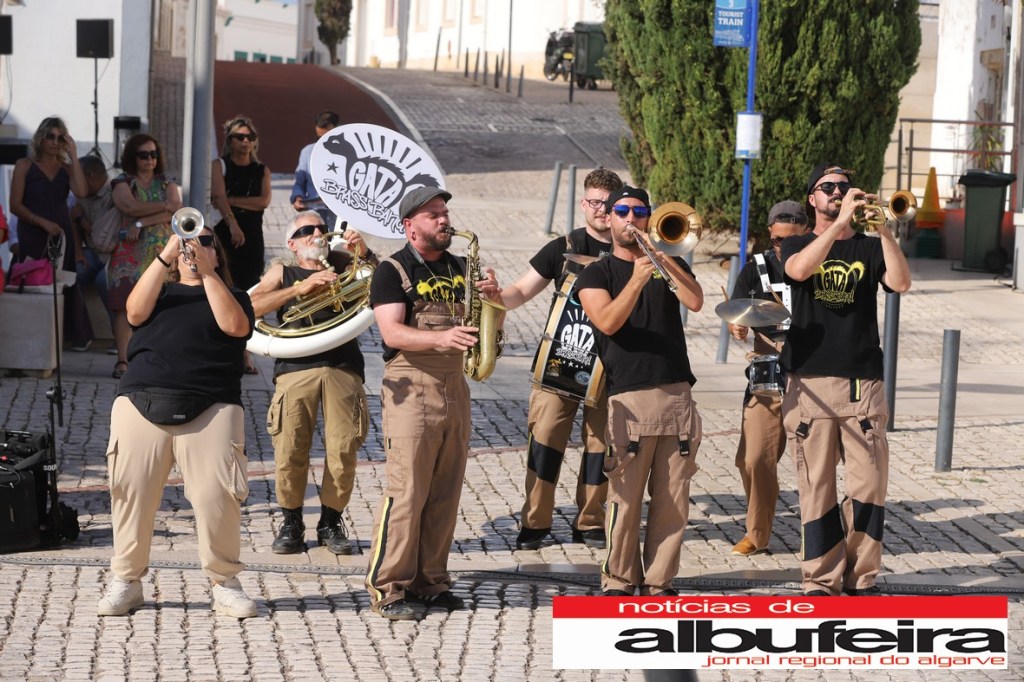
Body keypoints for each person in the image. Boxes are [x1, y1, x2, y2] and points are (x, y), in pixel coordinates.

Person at [97, 224, 258, 619]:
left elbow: (235, 327)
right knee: (131, 492)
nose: (195, 247)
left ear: (217, 254)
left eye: (205, 242)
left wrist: (207, 273)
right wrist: (165, 254)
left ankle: (225, 583)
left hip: (212, 405)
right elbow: (134, 312)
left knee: (217, 496)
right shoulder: (160, 292)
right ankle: (126, 580)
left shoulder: (234, 296)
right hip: (141, 400)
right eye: (188, 241)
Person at [365, 186, 501, 620]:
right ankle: (389, 586)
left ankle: (431, 582)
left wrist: (494, 300)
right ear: (410, 226)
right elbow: (392, 332)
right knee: (407, 491)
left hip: (454, 386)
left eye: (444, 212)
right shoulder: (392, 270)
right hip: (412, 384)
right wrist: (441, 337)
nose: (444, 220)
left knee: (445, 490)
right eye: (433, 215)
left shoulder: (462, 267)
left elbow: (486, 323)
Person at [780, 163, 911, 596]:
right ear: (812, 198)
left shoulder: (870, 248)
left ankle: (860, 577)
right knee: (816, 487)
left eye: (844, 186)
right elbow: (799, 271)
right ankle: (820, 579)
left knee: (869, 485)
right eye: (828, 187)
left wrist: (884, 230)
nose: (838, 191)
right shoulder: (798, 242)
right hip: (810, 382)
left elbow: (901, 283)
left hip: (862, 382)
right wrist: (838, 226)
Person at [576, 186, 703, 597]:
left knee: (673, 500)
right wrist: (636, 280)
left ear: (648, 218)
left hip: (676, 394)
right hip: (628, 397)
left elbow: (695, 301)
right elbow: (607, 321)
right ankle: (619, 579)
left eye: (639, 211)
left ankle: (659, 581)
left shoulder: (667, 263)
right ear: (609, 218)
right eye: (622, 211)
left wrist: (662, 259)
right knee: (625, 499)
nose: (631, 218)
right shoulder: (596, 274)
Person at [499, 168, 623, 551]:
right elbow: (522, 290)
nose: (601, 210)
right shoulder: (562, 246)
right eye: (594, 202)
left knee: (601, 446)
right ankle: (535, 522)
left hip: (611, 367)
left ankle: (590, 521)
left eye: (609, 204)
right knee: (544, 441)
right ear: (583, 203)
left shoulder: (630, 251)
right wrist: (494, 298)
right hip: (560, 362)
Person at [249, 210, 372, 556]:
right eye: (307, 230)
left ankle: (331, 521)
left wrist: (364, 252)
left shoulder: (346, 265)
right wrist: (299, 288)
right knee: (289, 448)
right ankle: (291, 522)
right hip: (295, 366)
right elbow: (250, 306)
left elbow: (384, 286)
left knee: (343, 447)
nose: (317, 233)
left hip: (343, 365)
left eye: (321, 228)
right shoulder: (283, 271)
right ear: (292, 244)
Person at [726, 200, 809, 557]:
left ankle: (818, 534)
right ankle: (758, 533)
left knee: (814, 461)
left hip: (811, 372)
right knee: (753, 458)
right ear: (770, 234)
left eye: (793, 240)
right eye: (778, 240)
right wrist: (737, 327)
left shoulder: (821, 264)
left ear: (807, 233)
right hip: (767, 373)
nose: (784, 247)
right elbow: (736, 309)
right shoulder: (755, 268)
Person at [8, 116, 92, 350]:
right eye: (50, 136)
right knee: (34, 279)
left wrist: (74, 155)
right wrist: (41, 222)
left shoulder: (66, 169)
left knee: (62, 281)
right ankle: (31, 334)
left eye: (60, 138)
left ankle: (63, 337)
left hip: (61, 234)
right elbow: (14, 204)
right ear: (41, 138)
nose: (55, 142)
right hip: (33, 231)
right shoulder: (25, 165)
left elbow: (82, 192)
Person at [107, 134, 181, 379]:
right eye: (144, 154)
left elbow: (176, 209)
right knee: (123, 305)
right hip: (128, 251)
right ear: (132, 156)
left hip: (162, 250)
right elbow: (128, 206)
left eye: (154, 154)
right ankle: (123, 360)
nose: (150, 159)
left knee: (163, 303)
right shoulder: (122, 181)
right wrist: (165, 207)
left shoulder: (167, 180)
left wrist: (140, 222)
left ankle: (158, 360)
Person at [210, 115, 272, 374]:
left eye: (250, 137)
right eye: (240, 137)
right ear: (230, 140)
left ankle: (246, 352)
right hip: (226, 234)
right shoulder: (220, 165)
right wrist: (233, 223)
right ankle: (223, 347)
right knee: (223, 286)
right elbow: (217, 196)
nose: (246, 141)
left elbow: (263, 202)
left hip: (253, 237)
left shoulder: (261, 170)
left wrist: (231, 200)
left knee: (248, 292)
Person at [71, 155, 115, 337]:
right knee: (75, 273)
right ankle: (81, 333)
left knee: (104, 282)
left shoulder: (114, 194)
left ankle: (119, 335)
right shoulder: (81, 195)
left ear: (89, 177)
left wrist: (80, 219)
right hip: (91, 252)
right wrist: (78, 252)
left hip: (113, 254)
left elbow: (99, 234)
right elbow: (73, 222)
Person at [291, 110, 340, 228]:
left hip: (340, 216)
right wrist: (298, 197)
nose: (323, 142)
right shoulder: (307, 152)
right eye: (320, 137)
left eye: (327, 137)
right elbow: (299, 183)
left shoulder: (348, 155)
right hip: (315, 215)